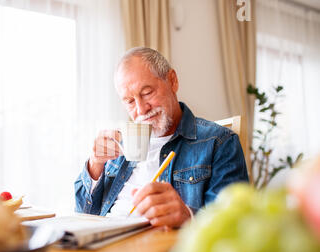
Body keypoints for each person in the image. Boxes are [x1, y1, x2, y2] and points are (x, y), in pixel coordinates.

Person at [74, 47, 248, 228]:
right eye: (130, 101)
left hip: (159, 250)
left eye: (147, 93)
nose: (141, 110)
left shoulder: (219, 142)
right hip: (105, 244)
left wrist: (188, 217)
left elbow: (235, 224)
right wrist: (95, 165)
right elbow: (82, 215)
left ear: (172, 81)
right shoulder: (122, 146)